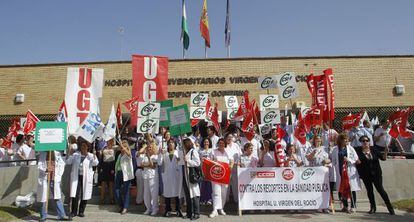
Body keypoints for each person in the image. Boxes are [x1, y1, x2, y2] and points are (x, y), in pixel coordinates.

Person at [356, 135, 395, 215]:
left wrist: (386, 152)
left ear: (369, 142)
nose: (365, 142)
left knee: (381, 190)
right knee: (370, 191)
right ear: (361, 142)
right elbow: (357, 161)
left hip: (376, 174)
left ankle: (390, 207)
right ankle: (373, 207)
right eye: (363, 141)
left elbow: (383, 158)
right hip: (366, 175)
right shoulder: (358, 151)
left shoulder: (373, 149)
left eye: (367, 140)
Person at [66, 139, 99, 219]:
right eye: (81, 146)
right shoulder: (76, 155)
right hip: (76, 177)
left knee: (85, 194)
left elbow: (96, 163)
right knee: (75, 194)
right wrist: (69, 153)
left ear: (88, 147)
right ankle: (74, 211)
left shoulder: (90, 156)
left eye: (84, 146)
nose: (83, 147)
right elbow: (68, 162)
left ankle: (81, 211)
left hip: (86, 178)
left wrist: (94, 156)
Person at [331, 133, 361, 213]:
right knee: (341, 189)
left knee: (351, 188)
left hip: (349, 171)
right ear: (340, 140)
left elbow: (356, 158)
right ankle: (345, 206)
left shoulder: (350, 148)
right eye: (345, 139)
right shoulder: (335, 149)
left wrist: (349, 160)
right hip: (340, 171)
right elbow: (333, 161)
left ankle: (353, 206)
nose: (346, 140)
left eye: (347, 139)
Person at [37, 151, 68, 221]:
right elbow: (39, 166)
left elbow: (62, 164)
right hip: (45, 178)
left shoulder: (57, 154)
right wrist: (46, 169)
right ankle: (43, 216)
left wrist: (59, 174)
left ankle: (61, 215)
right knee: (43, 197)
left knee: (57, 197)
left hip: (54, 179)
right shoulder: (43, 154)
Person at [209, 138, 233, 218]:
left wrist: (230, 167)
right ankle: (215, 210)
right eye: (220, 143)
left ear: (225, 144)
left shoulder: (228, 152)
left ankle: (221, 208)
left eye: (223, 143)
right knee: (216, 192)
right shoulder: (213, 151)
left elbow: (232, 161)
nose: (221, 144)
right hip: (215, 176)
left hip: (225, 176)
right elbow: (209, 162)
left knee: (223, 193)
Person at [160, 139, 183, 217]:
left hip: (176, 175)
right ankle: (168, 210)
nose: (171, 144)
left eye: (172, 143)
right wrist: (160, 154)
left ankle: (178, 209)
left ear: (175, 144)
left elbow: (182, 162)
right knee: (167, 193)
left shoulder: (178, 152)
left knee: (177, 193)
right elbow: (160, 162)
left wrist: (179, 160)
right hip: (167, 176)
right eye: (169, 143)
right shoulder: (164, 153)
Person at [182, 138, 201, 220]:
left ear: (187, 144)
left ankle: (196, 213)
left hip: (192, 176)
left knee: (194, 194)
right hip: (185, 176)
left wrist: (188, 161)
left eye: (183, 144)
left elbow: (197, 163)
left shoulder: (193, 151)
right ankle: (189, 213)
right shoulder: (185, 152)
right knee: (188, 195)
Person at [140, 142, 161, 216]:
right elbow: (141, 165)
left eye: (150, 148)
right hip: (145, 176)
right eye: (148, 147)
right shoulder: (144, 156)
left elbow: (153, 166)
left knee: (153, 193)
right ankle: (148, 208)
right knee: (146, 193)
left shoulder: (155, 156)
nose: (149, 149)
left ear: (153, 148)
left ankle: (155, 209)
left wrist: (149, 158)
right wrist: (147, 164)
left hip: (153, 176)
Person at [114, 140, 134, 215]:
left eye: (124, 146)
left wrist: (125, 148)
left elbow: (129, 154)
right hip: (118, 173)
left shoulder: (128, 155)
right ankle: (121, 205)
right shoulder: (119, 155)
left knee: (126, 191)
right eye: (121, 146)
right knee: (116, 191)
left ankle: (125, 208)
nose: (122, 148)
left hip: (126, 174)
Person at [225, 133, 241, 203]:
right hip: (226, 166)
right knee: (226, 184)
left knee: (235, 183)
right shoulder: (224, 145)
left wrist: (237, 162)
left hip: (235, 166)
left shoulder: (236, 145)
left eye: (231, 137)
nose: (229, 138)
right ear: (226, 138)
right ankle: (226, 200)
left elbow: (240, 154)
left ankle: (236, 200)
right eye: (228, 137)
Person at [98, 139, 115, 204]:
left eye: (111, 141)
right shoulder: (103, 149)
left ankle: (112, 199)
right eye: (108, 141)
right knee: (103, 183)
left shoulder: (114, 148)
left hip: (111, 165)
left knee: (111, 184)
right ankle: (102, 199)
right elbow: (101, 157)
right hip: (104, 166)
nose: (109, 142)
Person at [199, 138, 213, 205]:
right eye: (205, 142)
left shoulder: (211, 150)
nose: (206, 143)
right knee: (203, 185)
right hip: (202, 170)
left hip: (210, 170)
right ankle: (202, 199)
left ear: (209, 143)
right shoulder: (200, 151)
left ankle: (209, 199)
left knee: (209, 185)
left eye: (207, 142)